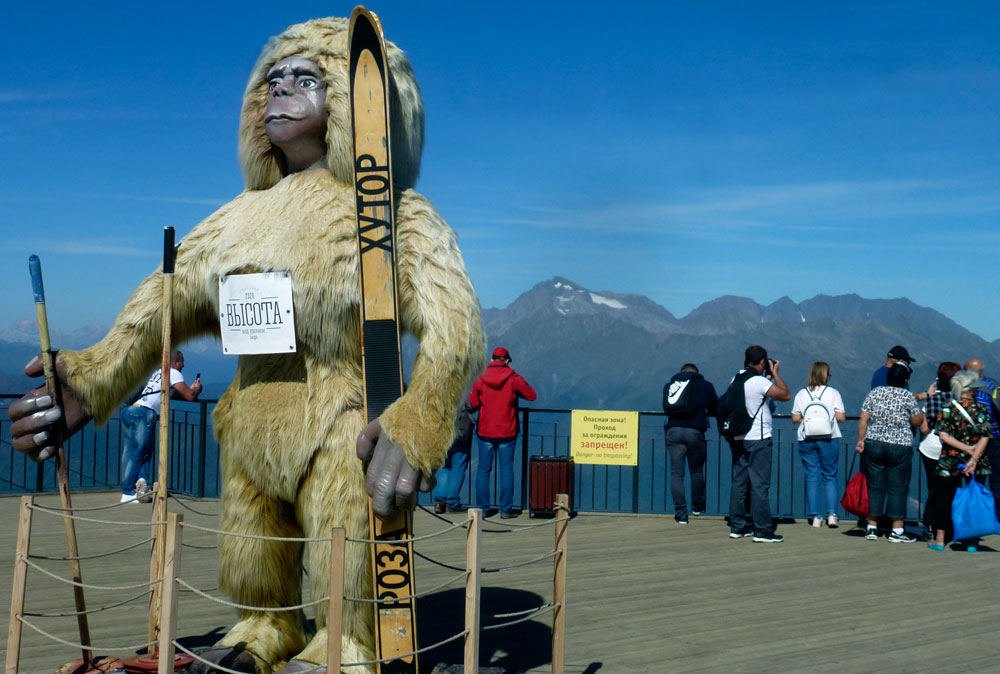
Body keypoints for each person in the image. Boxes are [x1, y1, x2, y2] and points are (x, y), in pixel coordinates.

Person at [726, 345, 790, 543]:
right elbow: (785, 394)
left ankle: (737, 527)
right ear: (763, 362)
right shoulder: (758, 381)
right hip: (758, 438)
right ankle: (762, 530)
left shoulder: (735, 379)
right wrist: (776, 374)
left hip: (738, 437)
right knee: (759, 485)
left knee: (740, 483)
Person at [120, 350, 201, 503]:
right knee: (137, 452)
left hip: (131, 410)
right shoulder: (173, 372)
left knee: (143, 451)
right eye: (182, 361)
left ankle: (142, 483)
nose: (184, 365)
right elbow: (189, 396)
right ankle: (127, 492)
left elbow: (167, 393)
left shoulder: (158, 372)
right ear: (176, 362)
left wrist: (188, 391)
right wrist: (195, 391)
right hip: (144, 413)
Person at [856, 362, 924, 542]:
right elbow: (916, 421)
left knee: (875, 485)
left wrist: (861, 440)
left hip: (875, 442)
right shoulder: (907, 396)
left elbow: (864, 418)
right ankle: (897, 530)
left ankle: (872, 526)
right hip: (900, 445)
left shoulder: (875, 393)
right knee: (898, 487)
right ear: (906, 379)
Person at [928, 369, 994, 551]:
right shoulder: (980, 409)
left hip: (949, 459)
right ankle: (972, 541)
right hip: (978, 461)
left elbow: (943, 434)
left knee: (944, 499)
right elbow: (985, 436)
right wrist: (973, 457)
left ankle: (940, 539)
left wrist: (964, 448)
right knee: (973, 498)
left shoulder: (948, 408)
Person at [469, 347, 536, 519]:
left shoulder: (480, 378)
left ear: (492, 360)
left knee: (483, 470)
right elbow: (531, 395)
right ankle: (506, 510)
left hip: (485, 430)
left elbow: (473, 403)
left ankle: (482, 509)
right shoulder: (513, 378)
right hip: (507, 430)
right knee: (506, 470)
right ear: (507, 361)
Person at [790, 362, 847, 528]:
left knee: (812, 477)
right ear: (825, 375)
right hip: (829, 437)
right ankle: (832, 515)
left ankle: (816, 517)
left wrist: (809, 421)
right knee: (830, 475)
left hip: (806, 438)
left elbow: (795, 418)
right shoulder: (833, 393)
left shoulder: (802, 393)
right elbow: (842, 418)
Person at [662, 363, 718, 524]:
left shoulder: (670, 386)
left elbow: (666, 408)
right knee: (696, 470)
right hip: (695, 431)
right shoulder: (704, 385)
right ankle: (697, 507)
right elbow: (715, 407)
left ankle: (681, 514)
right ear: (696, 374)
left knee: (676, 473)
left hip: (673, 431)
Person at [917, 361, 961, 531]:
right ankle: (950, 525)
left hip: (930, 448)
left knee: (933, 488)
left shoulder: (933, 400)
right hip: (954, 449)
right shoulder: (960, 401)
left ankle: (931, 523)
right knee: (953, 488)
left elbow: (924, 428)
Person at [964, 358, 1000, 522]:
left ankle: (973, 519)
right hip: (995, 439)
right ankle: (997, 518)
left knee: (973, 481)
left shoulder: (970, 391)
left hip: (974, 442)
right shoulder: (993, 386)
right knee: (996, 481)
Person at [432, 401, 475, 514]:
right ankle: (452, 502)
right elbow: (472, 404)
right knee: (458, 467)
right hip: (460, 431)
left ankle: (439, 502)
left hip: (444, 430)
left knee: (446, 466)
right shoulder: (464, 387)